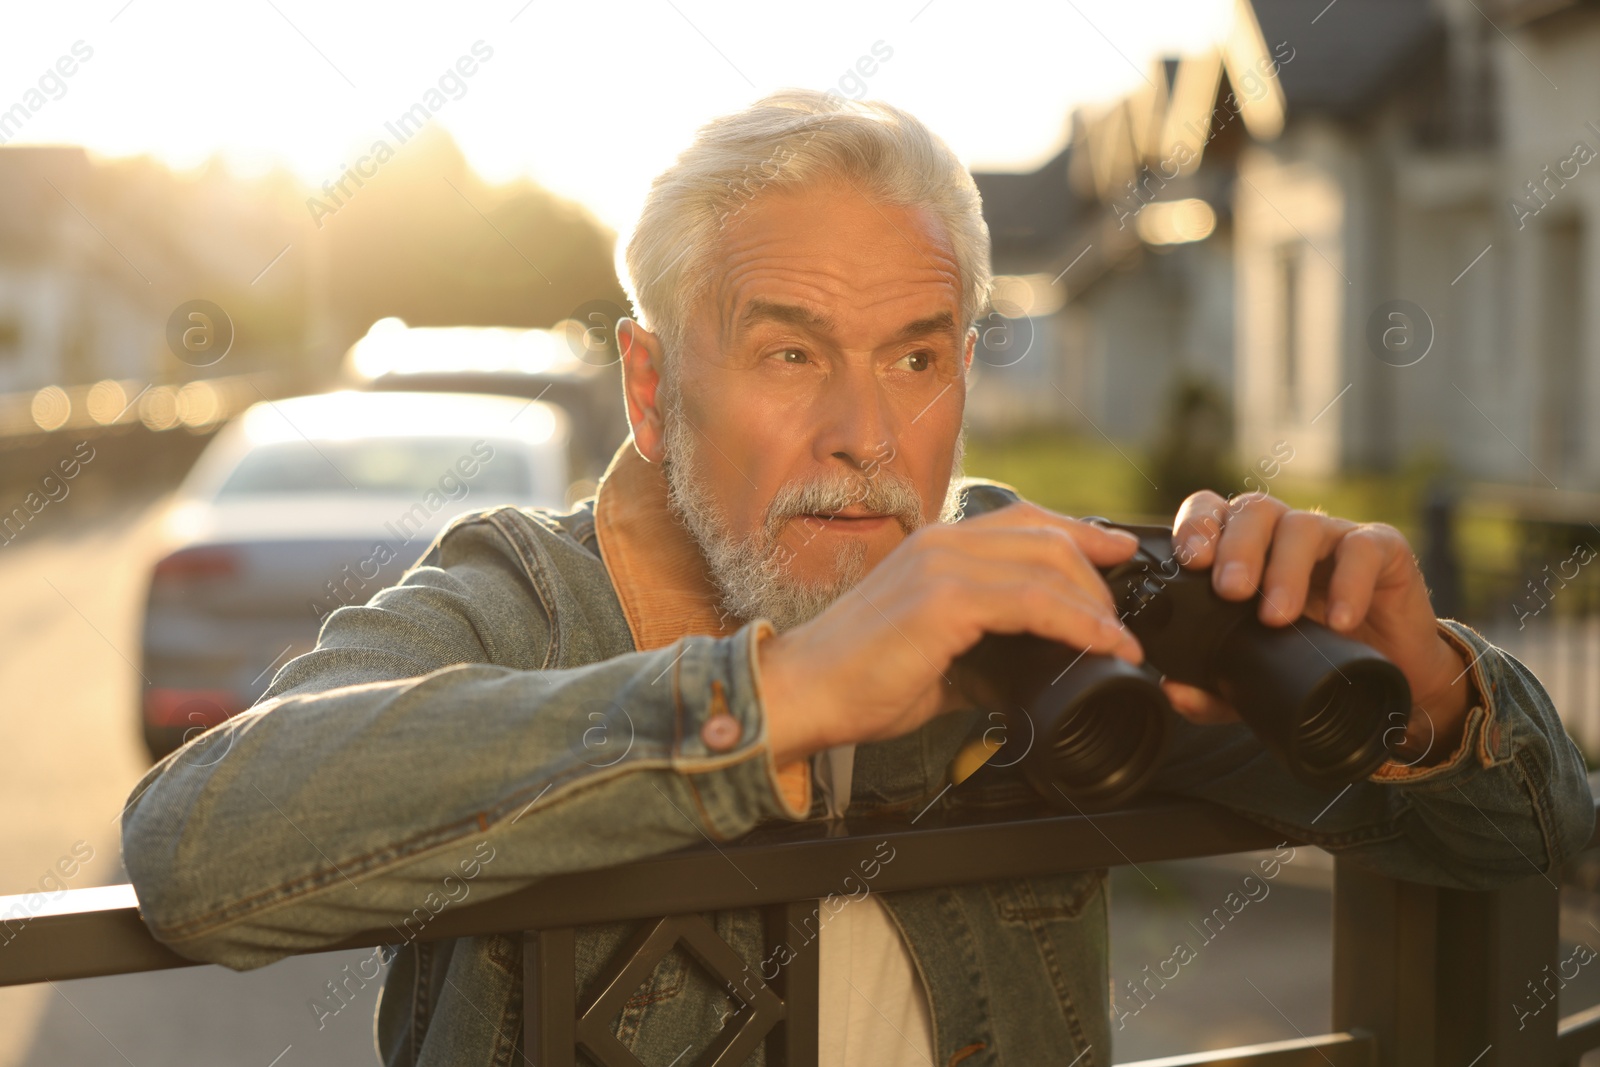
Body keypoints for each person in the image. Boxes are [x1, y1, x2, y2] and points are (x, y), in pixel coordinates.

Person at [120, 89, 1595, 1067]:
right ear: (649, 390)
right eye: (788, 355)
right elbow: (201, 845)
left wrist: (1431, 698)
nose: (866, 437)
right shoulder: (526, 603)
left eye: (916, 355)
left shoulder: (1039, 596)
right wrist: (779, 697)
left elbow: (1532, 835)